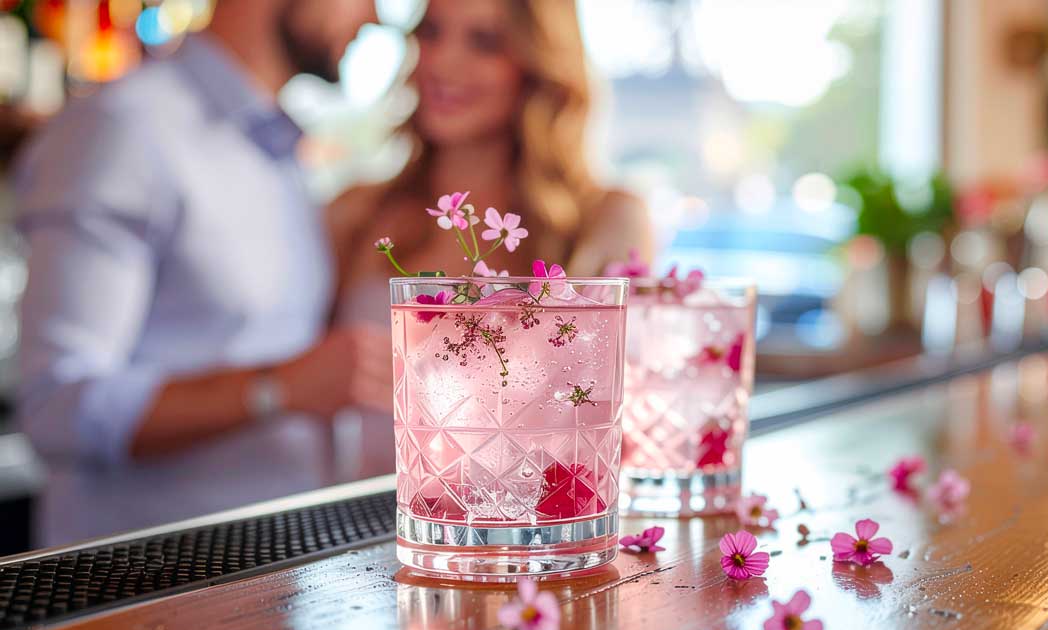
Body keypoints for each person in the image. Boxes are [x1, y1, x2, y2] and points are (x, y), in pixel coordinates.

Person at [14, 0, 385, 546]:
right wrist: (281, 387)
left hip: (266, 585)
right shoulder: (123, 128)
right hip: (136, 594)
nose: (374, 17)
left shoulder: (275, 152)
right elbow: (57, 407)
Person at [326, 0, 654, 473]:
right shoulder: (356, 213)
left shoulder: (605, 218)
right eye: (432, 32)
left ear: (538, 66)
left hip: (527, 532)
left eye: (485, 42)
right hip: (365, 530)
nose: (443, 62)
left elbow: (611, 415)